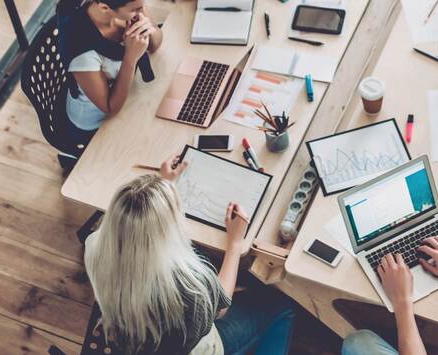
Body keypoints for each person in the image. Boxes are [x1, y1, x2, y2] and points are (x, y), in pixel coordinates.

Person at [83, 156, 294, 355]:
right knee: (282, 306)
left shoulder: (93, 245)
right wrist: (235, 243)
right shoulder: (188, 285)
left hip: (132, 332)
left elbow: (136, 224)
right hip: (196, 348)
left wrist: (160, 186)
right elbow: (221, 307)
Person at [56, 0, 163, 170]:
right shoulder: (83, 51)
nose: (142, 11)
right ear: (104, 7)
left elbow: (155, 44)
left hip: (128, 94)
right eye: (136, 9)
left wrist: (148, 28)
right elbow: (110, 107)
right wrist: (131, 56)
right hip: (96, 122)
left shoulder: (129, 6)